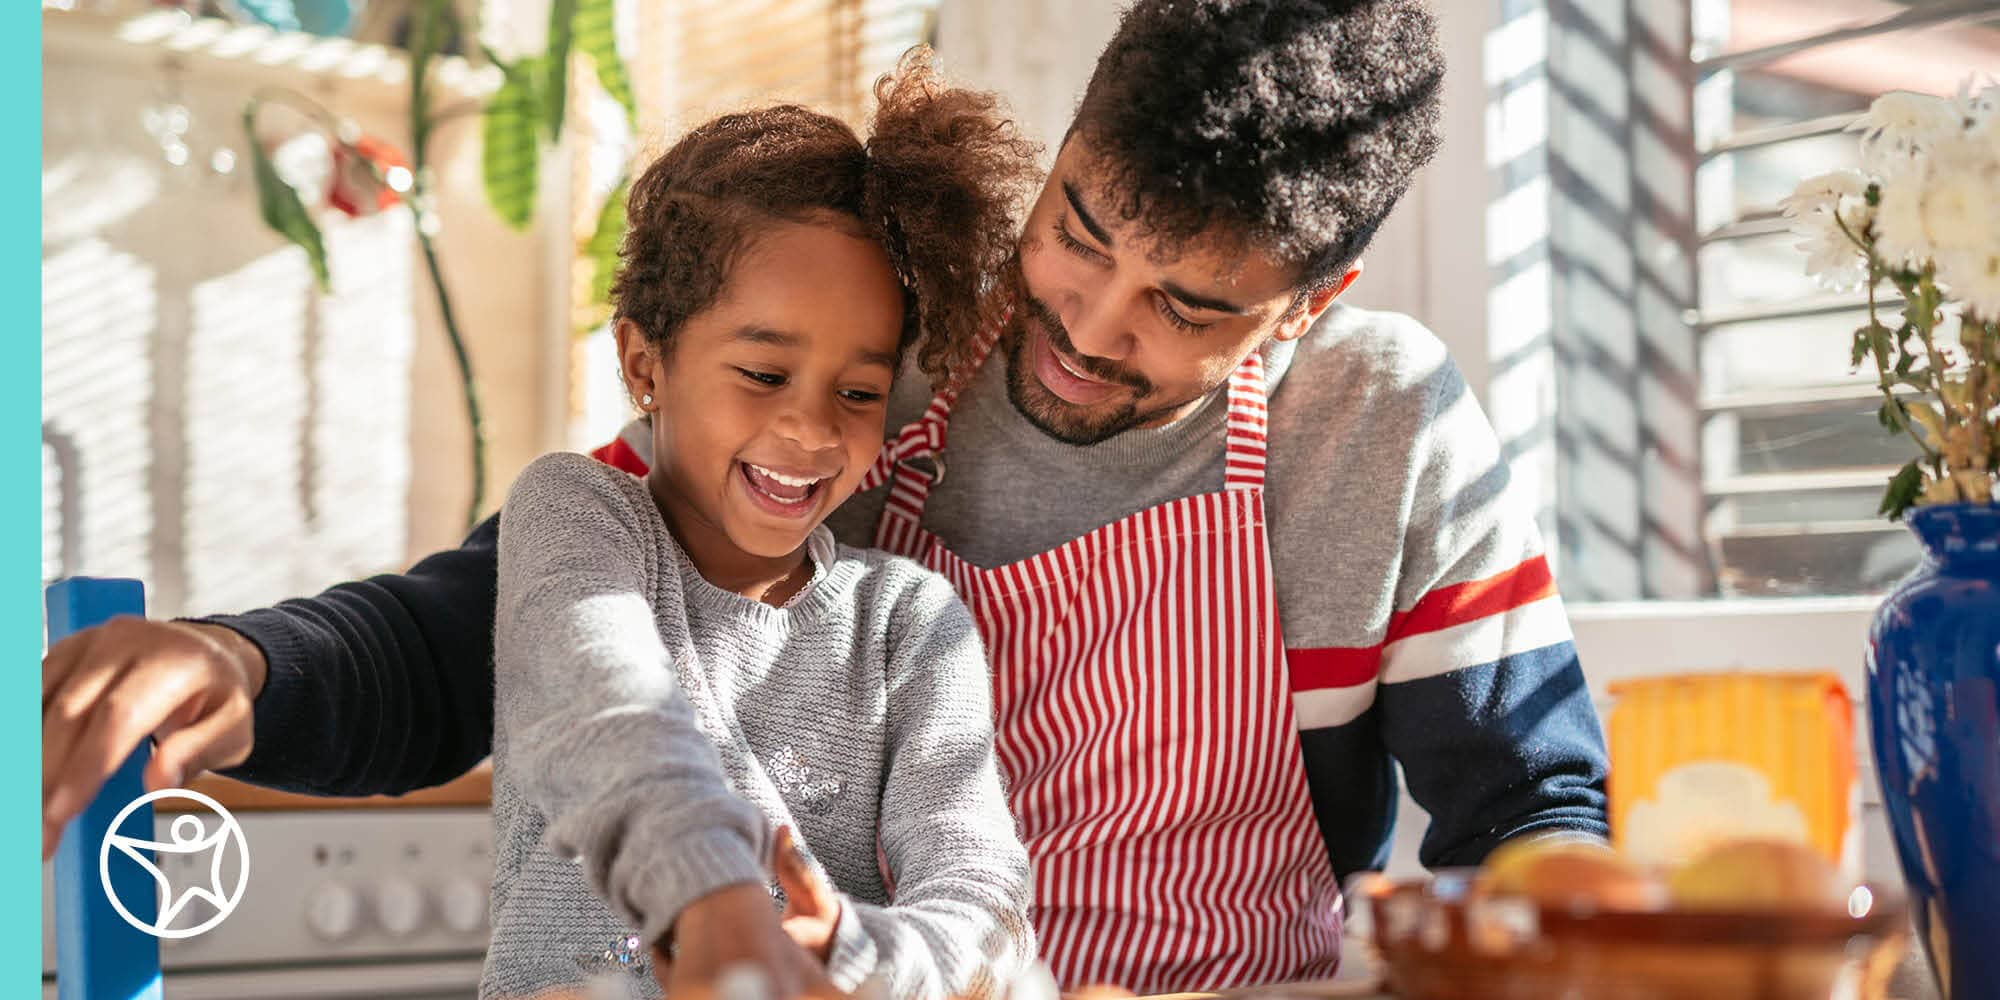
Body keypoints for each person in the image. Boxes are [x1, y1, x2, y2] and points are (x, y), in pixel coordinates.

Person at [43, 1, 1609, 993]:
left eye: (1187, 308)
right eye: (1078, 227)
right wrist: (251, 665)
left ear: (1307, 303)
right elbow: (514, 624)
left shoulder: (1378, 426)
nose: (1085, 323)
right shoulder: (868, 373)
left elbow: (1531, 813)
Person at [479, 54, 1038, 1000]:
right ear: (644, 363)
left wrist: (847, 953)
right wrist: (720, 906)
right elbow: (611, 712)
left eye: (858, 392)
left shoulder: (906, 620)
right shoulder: (575, 514)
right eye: (764, 374)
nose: (812, 429)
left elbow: (982, 899)